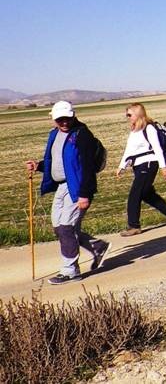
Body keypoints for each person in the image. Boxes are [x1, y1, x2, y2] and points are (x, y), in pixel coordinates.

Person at [25, 101, 111, 285]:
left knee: (66, 227)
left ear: (74, 116)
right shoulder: (54, 134)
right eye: (60, 119)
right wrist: (39, 166)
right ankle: (97, 247)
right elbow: (56, 161)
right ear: (53, 119)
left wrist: (84, 194)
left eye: (67, 118)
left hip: (77, 187)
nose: (64, 122)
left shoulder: (82, 135)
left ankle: (70, 271)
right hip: (62, 187)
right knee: (59, 227)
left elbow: (87, 167)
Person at [116, 103, 166, 236]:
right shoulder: (134, 131)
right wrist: (122, 166)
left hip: (149, 164)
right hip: (137, 165)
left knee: (135, 195)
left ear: (138, 114)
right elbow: (129, 150)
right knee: (147, 194)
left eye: (129, 114)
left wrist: (163, 167)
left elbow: (157, 148)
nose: (127, 117)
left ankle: (134, 226)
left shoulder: (149, 128)